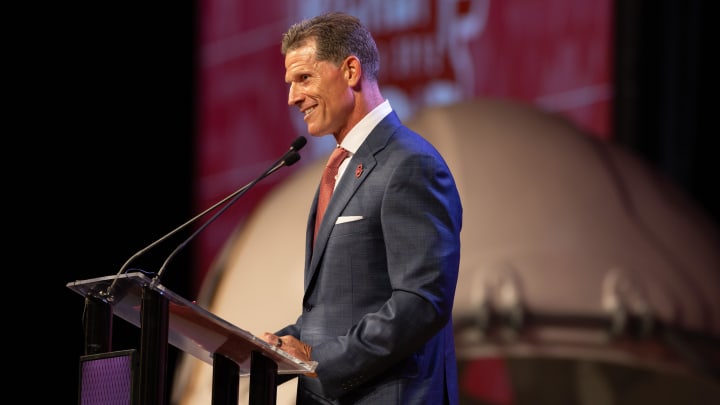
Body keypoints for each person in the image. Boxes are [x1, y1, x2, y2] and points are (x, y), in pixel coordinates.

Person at [262, 11, 463, 404]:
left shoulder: (409, 163)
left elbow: (420, 302)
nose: (292, 97)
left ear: (350, 70)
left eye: (304, 78)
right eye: (290, 83)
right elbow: (340, 306)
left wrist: (321, 363)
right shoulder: (341, 167)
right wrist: (282, 345)